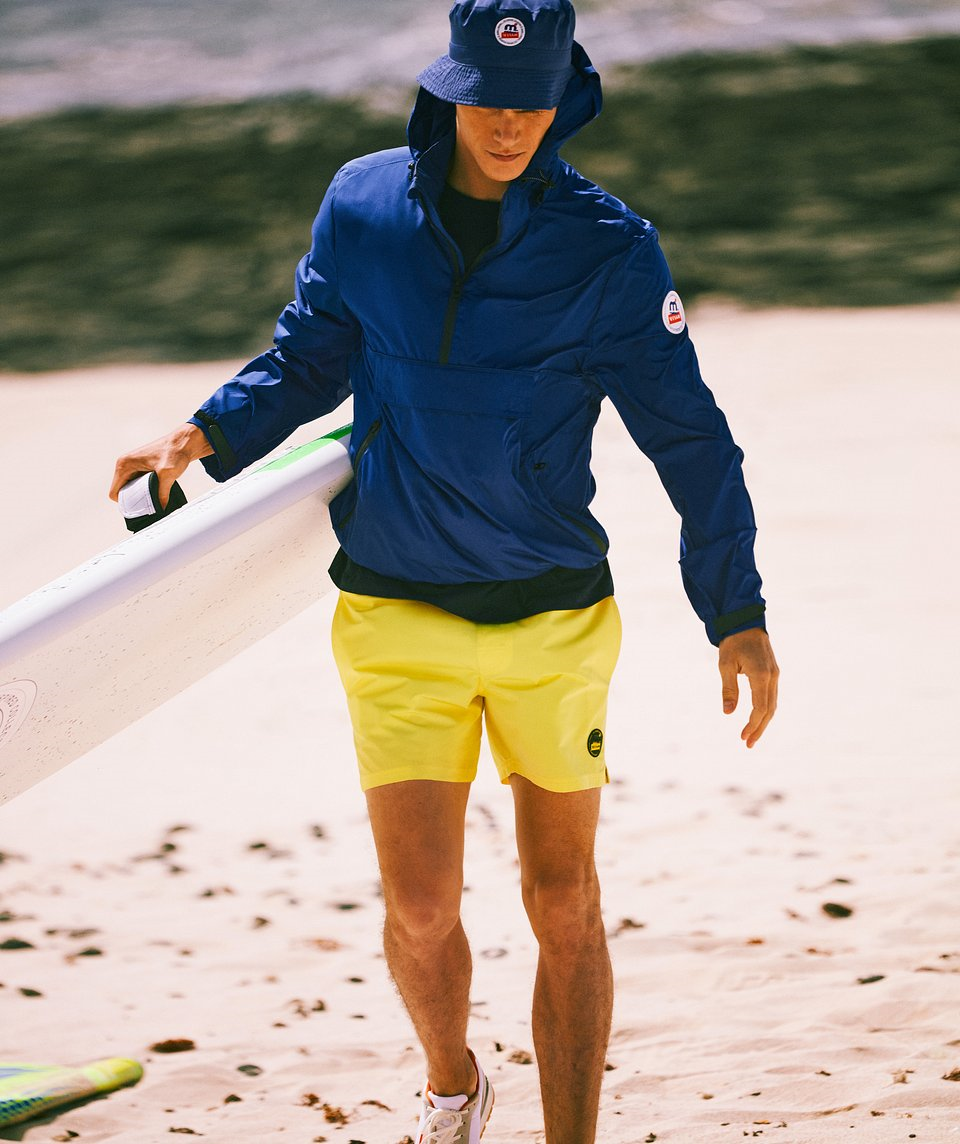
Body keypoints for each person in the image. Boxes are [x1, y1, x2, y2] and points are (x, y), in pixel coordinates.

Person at [110, 1, 779, 1139]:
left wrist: (736, 609)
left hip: (553, 617)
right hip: (395, 605)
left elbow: (691, 438)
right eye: (487, 99)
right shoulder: (365, 207)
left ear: (564, 99)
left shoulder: (610, 251)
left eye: (531, 103)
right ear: (447, 87)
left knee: (560, 900)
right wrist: (199, 437)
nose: (508, 124)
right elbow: (307, 357)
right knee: (421, 908)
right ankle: (454, 1086)